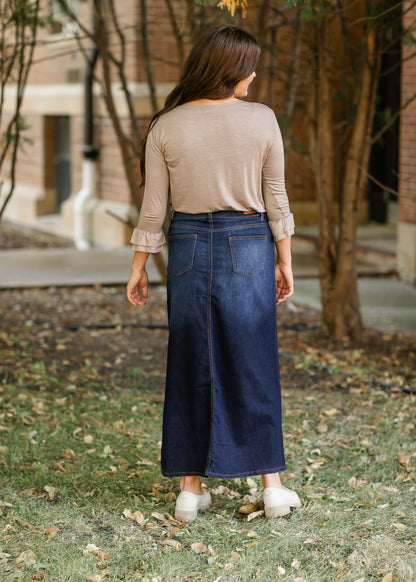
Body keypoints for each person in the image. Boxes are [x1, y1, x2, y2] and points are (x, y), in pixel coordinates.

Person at [127, 25, 301, 523]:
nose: (254, 73)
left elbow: (153, 209)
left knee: (190, 358)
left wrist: (138, 267)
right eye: (250, 65)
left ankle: (189, 491)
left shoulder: (167, 125)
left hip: (185, 246)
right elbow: (276, 199)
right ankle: (272, 488)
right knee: (254, 360)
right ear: (231, 69)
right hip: (248, 244)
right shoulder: (262, 119)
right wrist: (284, 260)